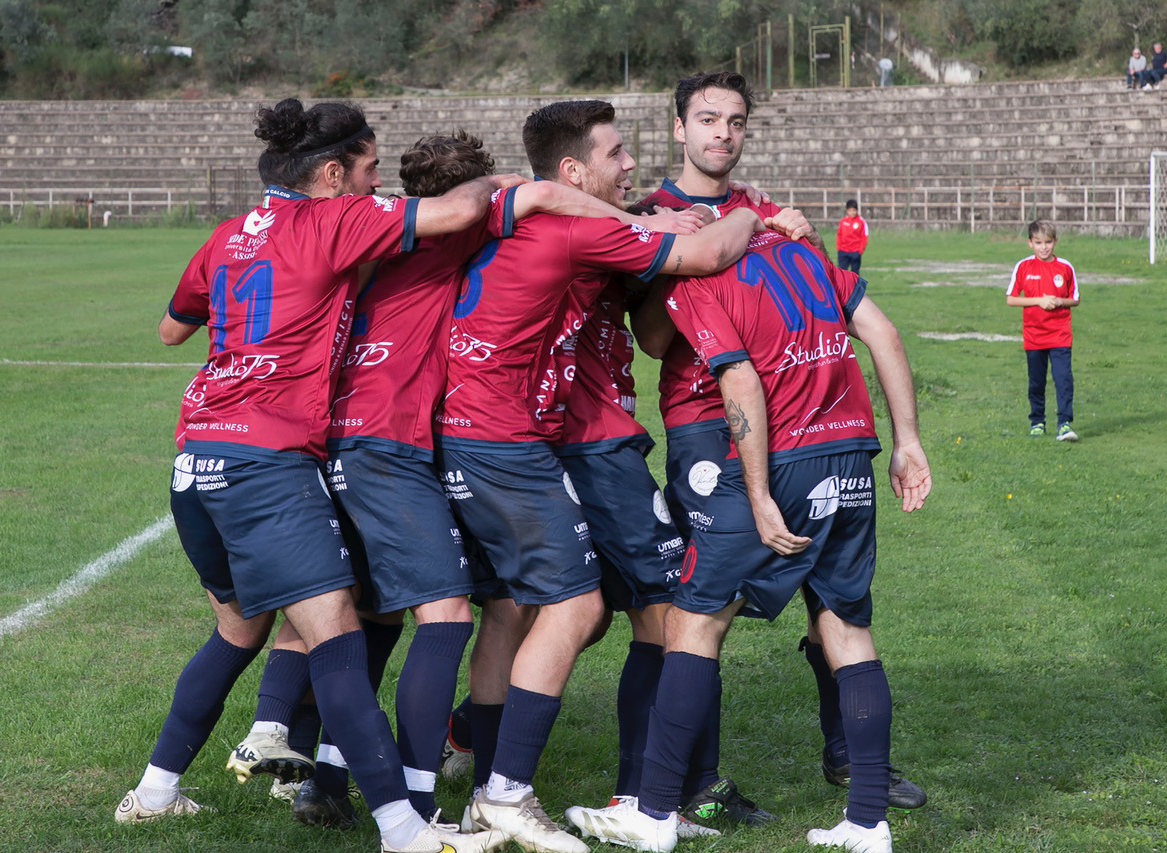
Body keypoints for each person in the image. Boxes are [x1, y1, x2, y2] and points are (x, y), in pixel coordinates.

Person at [230, 129, 706, 828]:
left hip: (360, 438)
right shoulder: (477, 228)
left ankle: (323, 767)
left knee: (379, 608)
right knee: (470, 613)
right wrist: (661, 221)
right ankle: (436, 799)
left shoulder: (380, 234)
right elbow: (539, 198)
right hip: (422, 443)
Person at [115, 97, 514, 853]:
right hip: (266, 464)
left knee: (239, 629)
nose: (374, 185)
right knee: (336, 639)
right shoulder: (333, 221)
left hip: (196, 456)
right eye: (367, 170)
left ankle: (156, 791)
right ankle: (402, 828)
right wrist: (507, 181)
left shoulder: (228, 234)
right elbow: (462, 209)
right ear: (331, 174)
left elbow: (171, 330)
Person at [439, 98, 768, 853]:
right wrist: (751, 216)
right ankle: (636, 794)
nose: (630, 165)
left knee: (527, 611)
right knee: (656, 611)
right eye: (616, 153)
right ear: (572, 169)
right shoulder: (578, 228)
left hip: (526, 434)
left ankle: (477, 756)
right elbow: (699, 259)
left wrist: (637, 215)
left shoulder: (547, 216)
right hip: (588, 439)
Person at [566, 214, 932, 853]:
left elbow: (738, 379)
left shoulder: (698, 270)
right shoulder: (804, 254)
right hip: (852, 455)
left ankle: (653, 813)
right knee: (846, 628)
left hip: (784, 459)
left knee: (694, 622)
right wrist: (909, 442)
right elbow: (885, 334)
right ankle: (868, 822)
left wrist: (758, 494)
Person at [634, 71, 924, 820]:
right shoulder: (656, 214)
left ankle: (851, 759)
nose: (722, 133)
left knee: (830, 596)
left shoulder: (760, 207)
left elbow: (818, 294)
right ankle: (696, 785)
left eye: (735, 121)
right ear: (679, 129)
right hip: (709, 426)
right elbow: (653, 337)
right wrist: (692, 250)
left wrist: (793, 235)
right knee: (704, 608)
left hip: (796, 424)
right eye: (707, 119)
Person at [1006, 220, 1080, 441]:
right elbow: (1011, 299)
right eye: (1038, 243)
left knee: (1063, 378)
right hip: (1034, 336)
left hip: (1060, 334)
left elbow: (1075, 299)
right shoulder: (1023, 267)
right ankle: (1037, 422)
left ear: (1055, 242)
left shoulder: (1065, 267)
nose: (1044, 247)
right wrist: (1039, 300)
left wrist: (1059, 301)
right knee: (1037, 382)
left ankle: (1064, 424)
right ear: (1030, 243)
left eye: (1048, 242)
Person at [836, 199, 869, 274]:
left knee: (854, 274)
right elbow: (839, 235)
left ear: (857, 210)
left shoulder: (861, 222)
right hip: (843, 251)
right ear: (847, 211)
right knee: (841, 273)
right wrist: (839, 248)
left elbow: (864, 237)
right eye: (850, 210)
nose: (852, 212)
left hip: (855, 251)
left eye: (854, 210)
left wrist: (860, 251)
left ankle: (855, 283)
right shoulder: (843, 221)